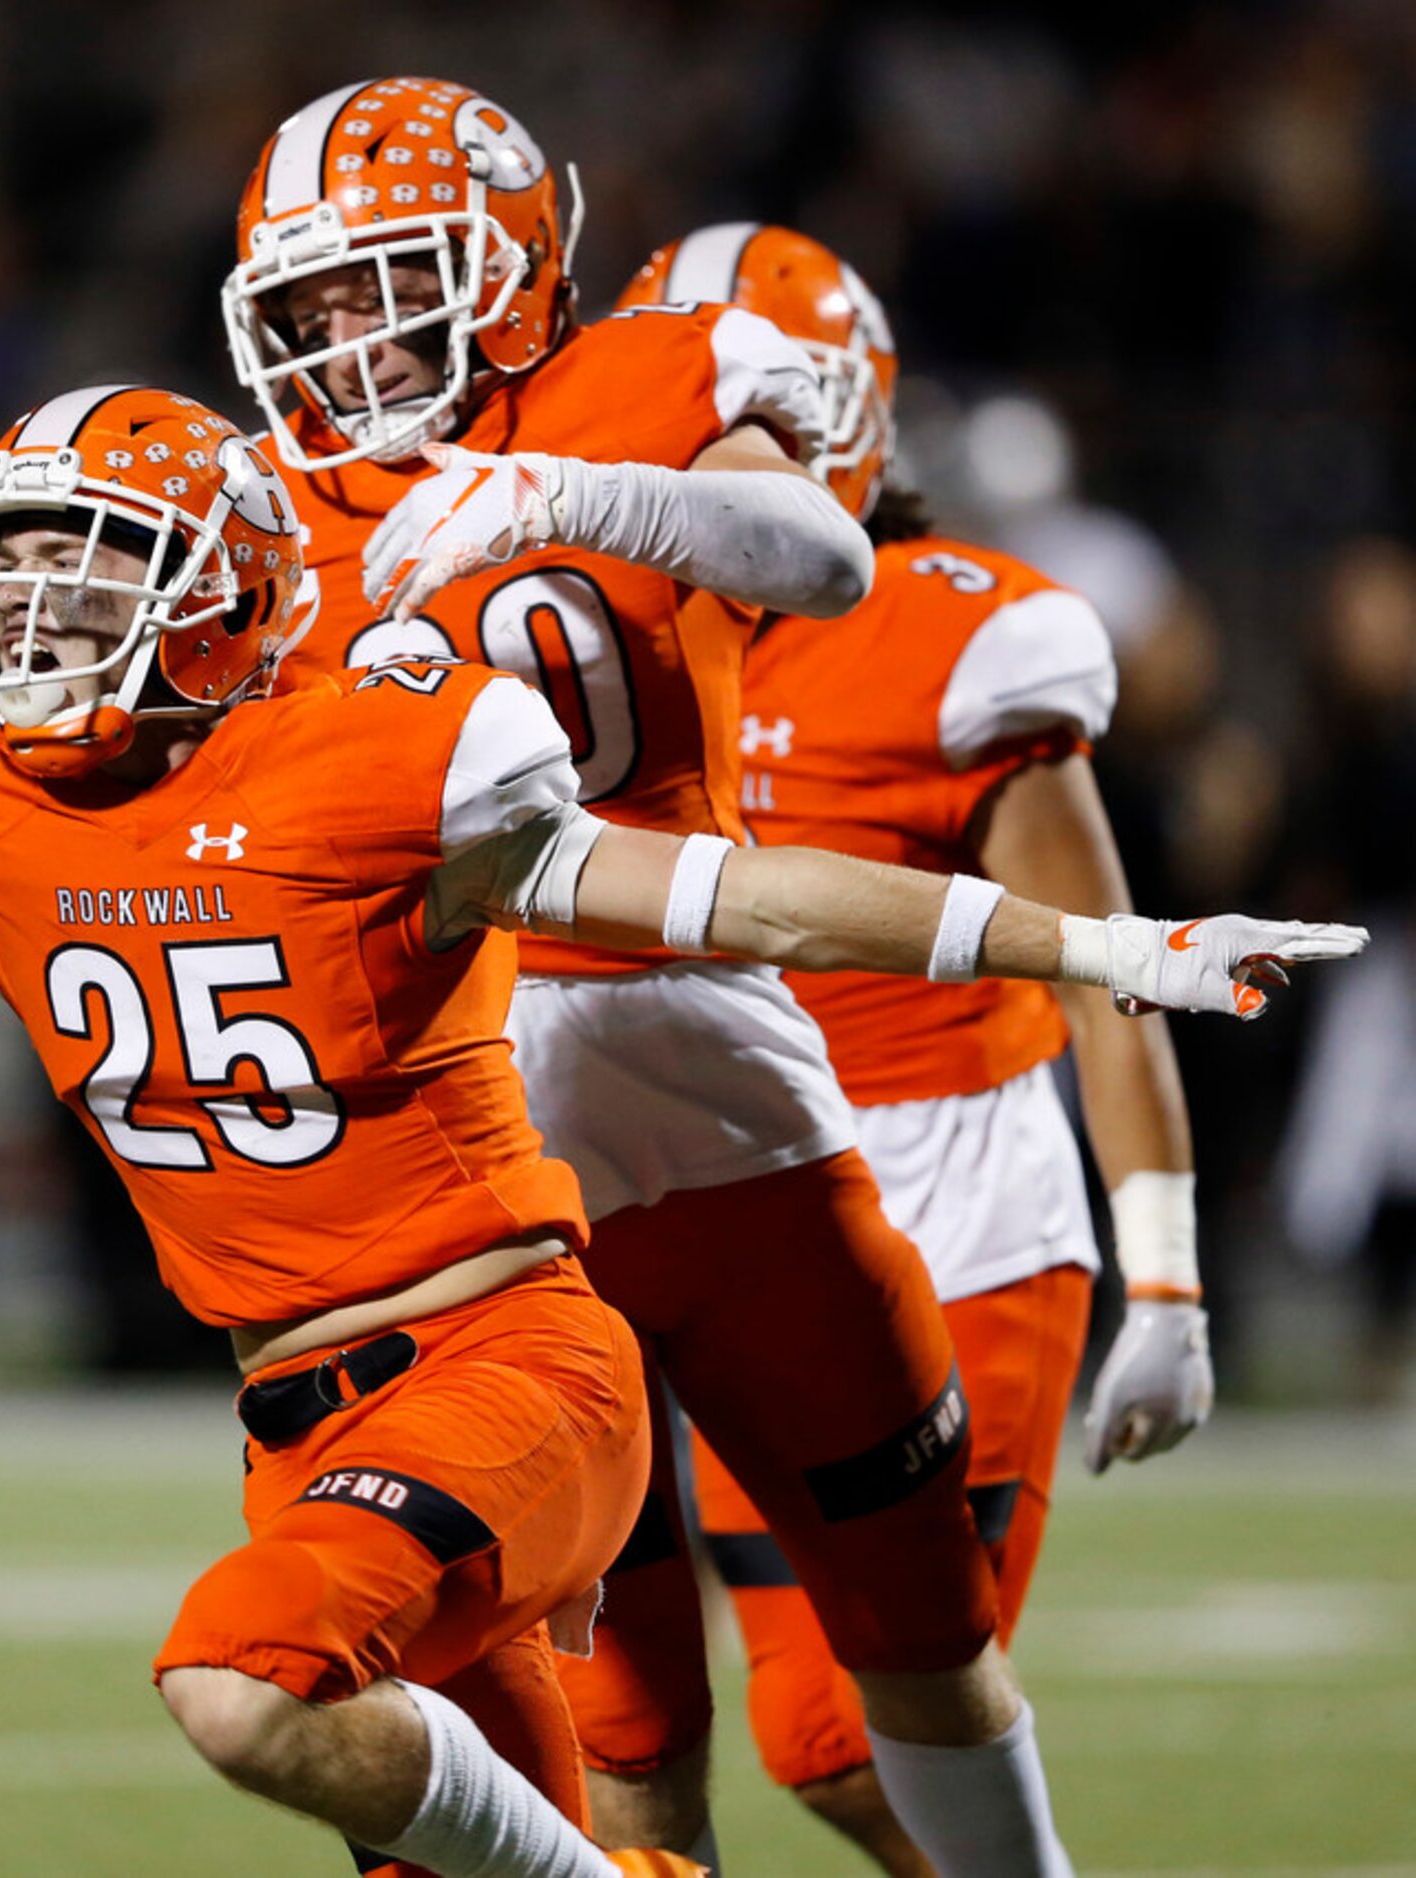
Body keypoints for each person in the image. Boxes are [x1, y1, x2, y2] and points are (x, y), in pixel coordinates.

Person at [0, 284, 1356, 1878]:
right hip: (299, 1418)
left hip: (511, 1366)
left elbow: (736, 895)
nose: (25, 607)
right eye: (9, 562)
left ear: (207, 592)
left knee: (234, 1682)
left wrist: (1104, 950)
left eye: (80, 560)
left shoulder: (373, 763)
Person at [216, 76, 1329, 1878]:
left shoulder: (676, 421)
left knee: (885, 1673)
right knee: (615, 1707)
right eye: (307, 303)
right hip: (486, 1125)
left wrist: (549, 490)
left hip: (745, 1086)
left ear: (503, 268)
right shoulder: (276, 493)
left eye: (382, 282)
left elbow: (811, 559)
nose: (341, 339)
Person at [615, 222, 1209, 1876]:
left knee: (837, 1722)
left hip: (960, 1204)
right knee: (799, 1740)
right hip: (754, 1209)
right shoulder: (613, 633)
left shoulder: (962, 634)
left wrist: (1161, 1275)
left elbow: (1107, 968)